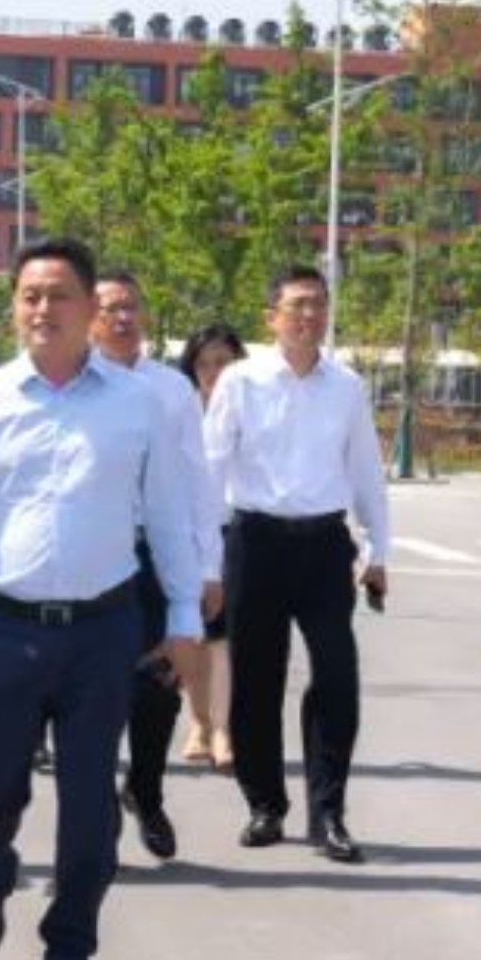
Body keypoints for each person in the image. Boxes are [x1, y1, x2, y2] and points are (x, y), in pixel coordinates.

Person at [0, 239, 206, 960]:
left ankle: (69, 950)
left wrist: (184, 617)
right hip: (5, 630)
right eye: (30, 295)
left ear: (88, 308)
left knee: (88, 813)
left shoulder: (137, 404)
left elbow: (170, 517)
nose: (42, 309)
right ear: (15, 306)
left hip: (102, 631)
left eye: (59, 295)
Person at [205, 266, 392, 862]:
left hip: (323, 545)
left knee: (337, 676)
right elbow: (211, 469)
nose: (309, 315)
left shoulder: (347, 387)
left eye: (318, 304)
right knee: (256, 680)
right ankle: (265, 804)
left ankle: (328, 811)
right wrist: (206, 561)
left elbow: (365, 470)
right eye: (297, 305)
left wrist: (378, 549)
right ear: (272, 317)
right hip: (255, 542)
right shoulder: (241, 381)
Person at [91, 271, 222, 862]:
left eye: (130, 307)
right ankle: (95, 810)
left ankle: (145, 788)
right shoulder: (76, 384)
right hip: (95, 551)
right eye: (109, 308)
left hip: (156, 552)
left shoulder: (171, 389)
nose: (122, 318)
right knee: (95, 687)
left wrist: (207, 565)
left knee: (159, 683)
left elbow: (198, 478)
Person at [172, 323, 250, 768]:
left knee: (223, 640)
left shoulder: (252, 407)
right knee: (193, 635)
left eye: (222, 362)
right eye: (203, 364)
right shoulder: (180, 411)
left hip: (232, 531)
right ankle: (198, 722)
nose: (213, 372)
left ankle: (223, 730)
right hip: (183, 534)